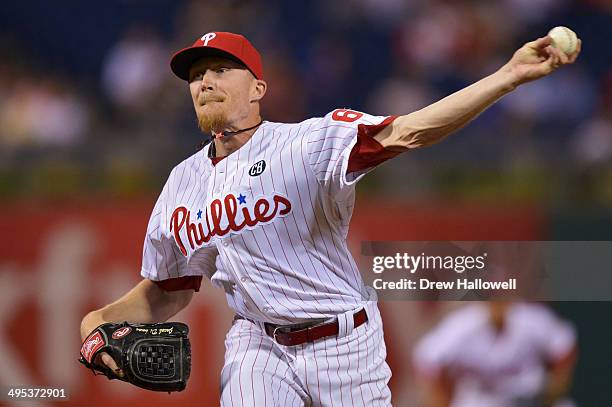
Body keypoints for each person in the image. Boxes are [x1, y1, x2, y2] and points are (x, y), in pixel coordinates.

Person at [80, 31, 581, 406]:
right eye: (195, 75)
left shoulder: (308, 143)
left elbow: (410, 132)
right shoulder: (180, 184)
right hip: (257, 342)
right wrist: (97, 322)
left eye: (219, 68)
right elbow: (169, 289)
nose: (204, 81)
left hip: (344, 341)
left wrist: (508, 76)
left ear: (258, 88)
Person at [413, 302, 577, 407]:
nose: (498, 305)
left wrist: (555, 389)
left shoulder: (529, 319)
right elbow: (426, 358)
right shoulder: (464, 326)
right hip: (484, 399)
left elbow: (565, 346)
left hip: (530, 396)